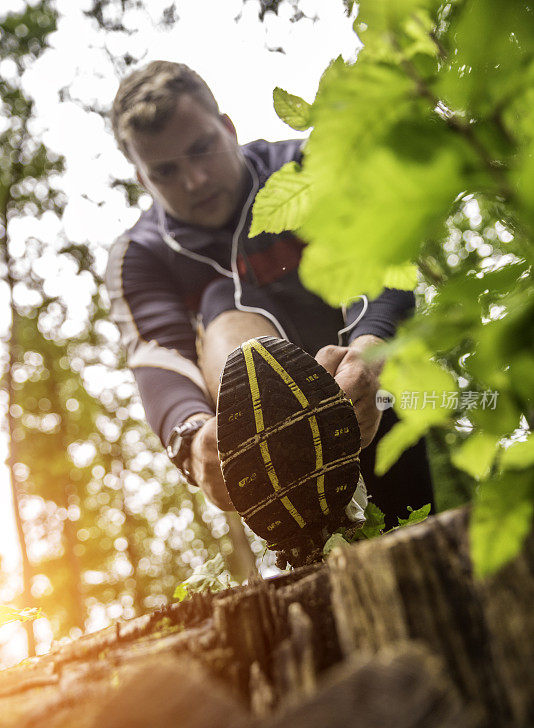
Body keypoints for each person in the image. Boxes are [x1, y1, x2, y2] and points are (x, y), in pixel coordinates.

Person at [106, 60, 434, 541]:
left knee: (416, 530)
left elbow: (375, 261)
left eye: (201, 150)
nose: (194, 180)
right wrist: (195, 437)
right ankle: (303, 514)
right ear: (142, 180)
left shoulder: (306, 170)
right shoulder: (140, 255)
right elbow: (159, 359)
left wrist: (370, 350)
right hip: (270, 454)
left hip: (379, 395)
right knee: (223, 301)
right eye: (166, 172)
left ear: (228, 128)